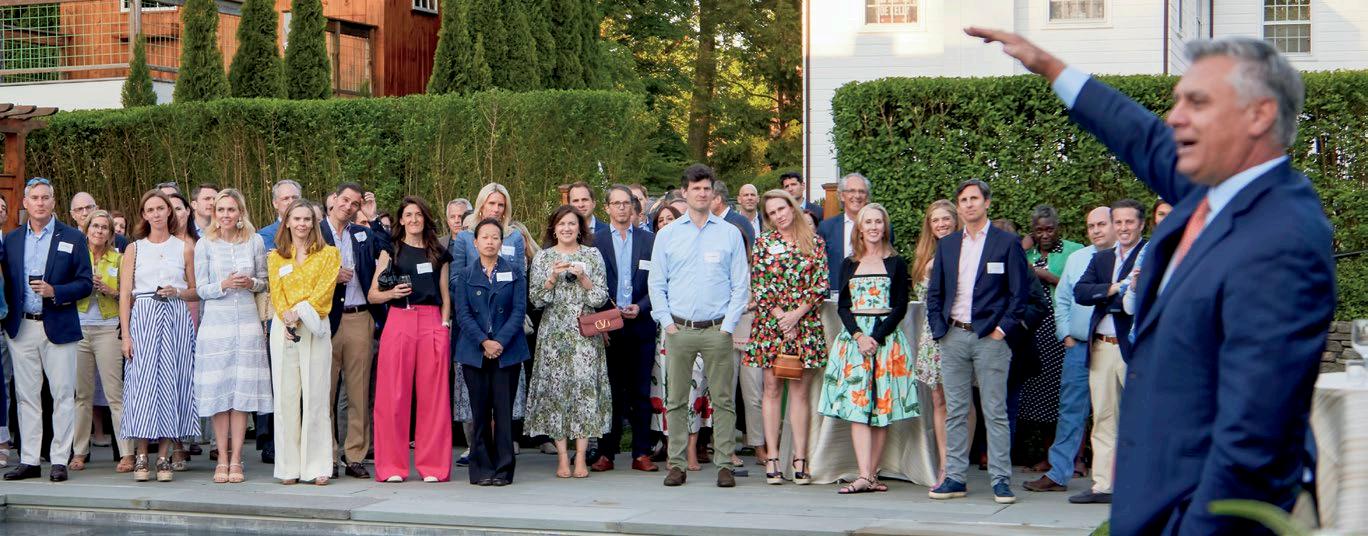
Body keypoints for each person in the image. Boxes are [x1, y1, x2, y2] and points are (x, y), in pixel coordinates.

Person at [970, 29, 1335, 534]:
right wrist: (1052, 68)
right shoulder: (1216, 189)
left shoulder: (1281, 237)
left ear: (1259, 115)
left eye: (1197, 102)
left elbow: (1256, 434)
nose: (1174, 117)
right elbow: (1140, 135)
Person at [925, 179, 1031, 504]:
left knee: (995, 411)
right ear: (958, 206)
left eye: (974, 198)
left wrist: (1002, 331)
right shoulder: (948, 245)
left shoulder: (1006, 243)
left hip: (991, 338)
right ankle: (955, 478)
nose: (969, 204)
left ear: (987, 202)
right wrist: (940, 331)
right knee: (956, 410)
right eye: (963, 200)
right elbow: (935, 293)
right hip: (953, 336)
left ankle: (1000, 480)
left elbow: (1020, 295)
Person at [648, 164, 750, 488]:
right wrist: (667, 323)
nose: (702, 193)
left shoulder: (729, 233)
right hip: (679, 330)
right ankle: (676, 463)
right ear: (684, 192)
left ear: (713, 193)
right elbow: (656, 283)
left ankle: (724, 464)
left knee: (723, 400)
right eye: (696, 188)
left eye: (707, 188)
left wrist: (728, 326)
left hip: (717, 329)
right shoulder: (668, 235)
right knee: (676, 400)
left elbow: (741, 285)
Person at [819, 203, 917, 493]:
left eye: (878, 222)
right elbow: (843, 306)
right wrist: (860, 336)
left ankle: (871, 475)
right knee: (858, 407)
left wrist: (877, 336)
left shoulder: (896, 262)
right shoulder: (849, 263)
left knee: (880, 408)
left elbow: (900, 306)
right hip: (855, 342)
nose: (873, 227)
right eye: (868, 222)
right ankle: (863, 474)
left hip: (885, 341)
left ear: (885, 226)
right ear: (859, 228)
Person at [2, 178, 94, 483]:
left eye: (45, 197)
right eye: (35, 198)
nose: (40, 203)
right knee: (26, 396)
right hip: (21, 327)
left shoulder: (73, 237)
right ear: (25, 203)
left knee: (63, 394)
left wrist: (56, 291)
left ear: (54, 202)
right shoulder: (12, 240)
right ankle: (29, 459)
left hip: (59, 325)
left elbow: (85, 283)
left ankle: (58, 459)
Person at [1025, 206, 1115, 494]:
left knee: (1112, 413)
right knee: (1070, 411)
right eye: (1091, 226)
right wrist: (1065, 334)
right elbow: (1062, 299)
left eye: (1102, 224)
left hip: (1114, 346)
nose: (1096, 230)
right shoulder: (1078, 258)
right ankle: (1058, 473)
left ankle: (1117, 476)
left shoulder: (1132, 258)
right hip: (1078, 346)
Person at [743, 190, 828, 485]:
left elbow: (820, 285)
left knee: (800, 392)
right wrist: (782, 317)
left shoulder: (814, 242)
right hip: (771, 324)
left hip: (805, 324)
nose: (778, 215)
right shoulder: (764, 243)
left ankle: (800, 458)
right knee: (771, 388)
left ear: (792, 207)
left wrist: (796, 315)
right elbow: (760, 284)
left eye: (782, 209)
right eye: (772, 213)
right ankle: (773, 457)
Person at [1067, 199, 1148, 504]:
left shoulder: (1150, 255)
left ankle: (1145, 485)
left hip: (1135, 350)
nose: (1123, 228)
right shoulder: (1101, 258)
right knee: (1103, 418)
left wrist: (1106, 294)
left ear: (1141, 224)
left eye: (1129, 222)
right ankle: (1103, 486)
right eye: (1119, 222)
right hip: (1101, 347)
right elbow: (1081, 292)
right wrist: (1115, 288)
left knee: (1144, 418)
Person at [367, 197, 453, 483]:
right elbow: (372, 295)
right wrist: (392, 294)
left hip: (432, 322)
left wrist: (444, 325)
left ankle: (434, 467)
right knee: (393, 396)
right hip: (399, 320)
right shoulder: (390, 250)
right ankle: (391, 466)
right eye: (408, 214)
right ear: (401, 220)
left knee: (434, 398)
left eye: (418, 214)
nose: (414, 219)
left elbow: (445, 296)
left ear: (425, 218)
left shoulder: (438, 252)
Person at [118, 190, 200, 483]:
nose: (155, 214)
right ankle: (142, 453)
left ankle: (164, 455)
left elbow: (196, 290)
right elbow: (125, 295)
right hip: (143, 316)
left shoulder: (185, 248)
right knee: (142, 386)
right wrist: (126, 336)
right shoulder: (134, 249)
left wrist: (178, 291)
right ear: (144, 215)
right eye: (149, 209)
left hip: (175, 316)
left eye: (160, 208)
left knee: (170, 384)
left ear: (169, 211)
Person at [193, 189, 273, 484]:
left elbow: (264, 281)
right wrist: (224, 284)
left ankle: (237, 458)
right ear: (214, 214)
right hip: (216, 324)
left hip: (247, 324)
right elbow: (201, 289)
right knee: (220, 392)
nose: (226, 215)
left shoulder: (255, 241)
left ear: (240, 212)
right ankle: (221, 459)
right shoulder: (205, 243)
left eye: (231, 209)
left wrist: (250, 282)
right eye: (221, 210)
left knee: (241, 393)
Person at [526, 206, 611, 479]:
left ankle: (581, 457)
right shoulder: (543, 257)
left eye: (572, 224)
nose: (566, 228)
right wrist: (552, 277)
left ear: (579, 228)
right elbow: (536, 300)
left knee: (584, 393)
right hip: (553, 334)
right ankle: (563, 458)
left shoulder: (592, 255)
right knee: (556, 393)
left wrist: (584, 277)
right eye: (561, 224)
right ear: (554, 228)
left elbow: (600, 298)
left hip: (584, 334)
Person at [450, 183, 529, 463]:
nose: (496, 209)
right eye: (491, 203)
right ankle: (478, 454)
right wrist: (482, 337)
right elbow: (456, 280)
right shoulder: (464, 237)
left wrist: (500, 338)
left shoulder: (514, 237)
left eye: (501, 204)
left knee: (503, 403)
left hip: (507, 332)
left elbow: (520, 282)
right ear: (481, 204)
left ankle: (504, 457)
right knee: (478, 404)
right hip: (474, 331)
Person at [319, 182, 390, 480]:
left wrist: (372, 218)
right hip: (324, 320)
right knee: (324, 392)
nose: (348, 207)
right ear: (334, 199)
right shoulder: (315, 231)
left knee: (358, 393)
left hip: (360, 318)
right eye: (345, 200)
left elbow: (389, 249)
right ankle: (326, 455)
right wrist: (330, 276)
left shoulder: (362, 233)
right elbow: (300, 269)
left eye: (355, 203)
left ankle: (355, 456)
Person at [267, 200, 340, 486]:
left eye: (307, 219)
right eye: (296, 219)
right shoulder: (276, 257)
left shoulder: (328, 254)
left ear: (314, 222)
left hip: (315, 325)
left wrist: (299, 314)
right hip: (284, 328)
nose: (302, 224)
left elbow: (324, 293)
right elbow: (277, 293)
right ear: (286, 222)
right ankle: (288, 467)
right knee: (286, 399)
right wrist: (287, 318)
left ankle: (317, 465)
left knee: (316, 397)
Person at [589, 187, 658, 473]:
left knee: (641, 391)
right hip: (608, 325)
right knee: (610, 391)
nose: (621, 208)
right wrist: (607, 311)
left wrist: (641, 307)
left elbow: (659, 282)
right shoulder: (595, 242)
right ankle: (606, 451)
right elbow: (590, 284)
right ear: (606, 208)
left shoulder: (649, 240)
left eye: (626, 203)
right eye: (615, 203)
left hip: (641, 323)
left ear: (634, 207)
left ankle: (641, 452)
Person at [645, 205, 713, 470]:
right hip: (667, 330)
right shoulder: (658, 252)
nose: (665, 223)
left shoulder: (693, 248)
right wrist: (668, 323)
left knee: (694, 387)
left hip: (696, 327)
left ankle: (693, 449)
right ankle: (673, 449)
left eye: (669, 218)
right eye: (660, 220)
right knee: (668, 391)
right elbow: (655, 288)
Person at [1016, 205, 1083, 471]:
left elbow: (1080, 288)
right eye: (1039, 230)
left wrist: (1048, 276)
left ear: (1058, 228)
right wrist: (1023, 245)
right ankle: (1051, 457)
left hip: (1063, 330)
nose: (1045, 235)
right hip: (1036, 332)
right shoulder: (1028, 253)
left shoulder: (1074, 251)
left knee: (1068, 395)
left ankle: (1078, 459)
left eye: (1049, 229)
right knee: (1043, 397)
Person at [71, 210, 133, 473]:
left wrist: (111, 291)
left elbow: (130, 296)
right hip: (79, 328)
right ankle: (79, 451)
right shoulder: (76, 256)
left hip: (108, 329)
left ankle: (127, 453)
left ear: (110, 233)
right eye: (94, 226)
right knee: (82, 395)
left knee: (115, 394)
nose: (99, 231)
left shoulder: (119, 259)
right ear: (86, 229)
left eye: (104, 227)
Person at [910, 199, 958, 483]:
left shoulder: (965, 250)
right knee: (938, 398)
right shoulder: (925, 255)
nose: (941, 224)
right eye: (935, 220)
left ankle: (958, 463)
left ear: (955, 220)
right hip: (932, 334)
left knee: (961, 401)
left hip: (958, 330)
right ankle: (944, 465)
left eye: (945, 219)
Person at [817, 173, 873, 295]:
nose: (857, 196)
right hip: (837, 296)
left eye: (862, 191)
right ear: (842, 196)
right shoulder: (826, 228)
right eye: (851, 191)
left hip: (872, 294)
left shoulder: (880, 228)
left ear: (867, 197)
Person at [258, 179, 303, 251]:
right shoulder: (266, 234)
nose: (291, 202)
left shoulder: (311, 229)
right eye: (285, 198)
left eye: (295, 198)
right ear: (275, 204)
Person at [709, 180, 755, 247]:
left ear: (718, 199)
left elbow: (748, 250)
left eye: (707, 199)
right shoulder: (709, 222)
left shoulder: (742, 222)